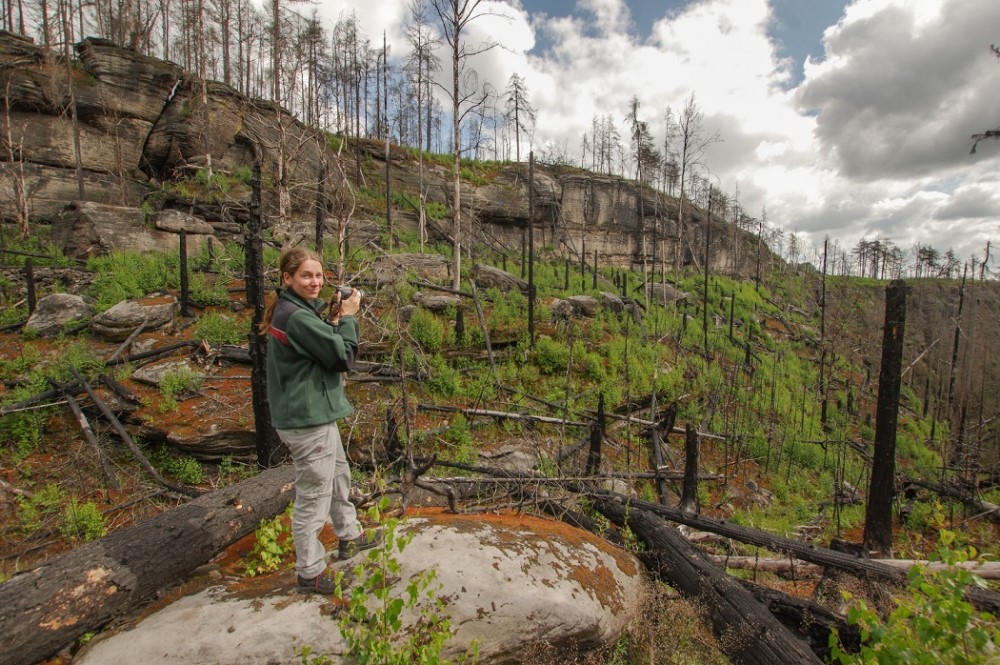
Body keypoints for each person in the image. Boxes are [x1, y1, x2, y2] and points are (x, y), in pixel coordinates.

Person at [259, 247, 382, 594]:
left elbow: (318, 345)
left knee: (339, 476)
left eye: (318, 275)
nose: (315, 282)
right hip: (306, 418)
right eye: (306, 276)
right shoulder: (295, 316)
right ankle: (309, 571)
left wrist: (333, 317)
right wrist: (349, 318)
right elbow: (341, 357)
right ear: (287, 278)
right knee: (314, 494)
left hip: (314, 413)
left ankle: (349, 535)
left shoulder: (294, 310)